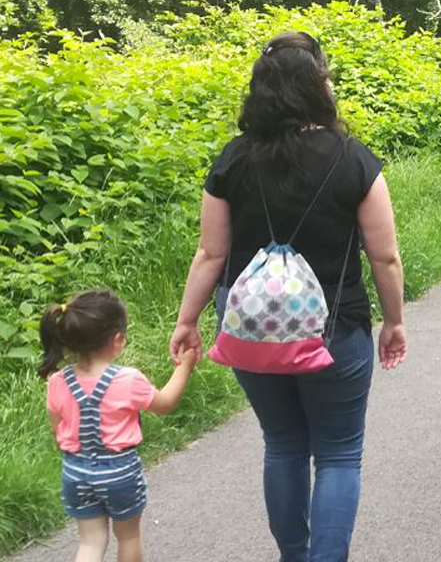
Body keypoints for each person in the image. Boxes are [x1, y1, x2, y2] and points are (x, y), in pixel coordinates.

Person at [169, 31, 407, 561]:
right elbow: (384, 257)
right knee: (340, 455)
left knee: (283, 446)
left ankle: (294, 556)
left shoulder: (232, 160)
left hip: (250, 331)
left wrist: (187, 320)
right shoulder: (353, 160)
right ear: (321, 84)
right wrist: (393, 322)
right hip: (335, 330)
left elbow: (210, 254)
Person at [40, 289, 199, 562]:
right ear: (117, 339)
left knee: (90, 542)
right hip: (119, 471)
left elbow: (58, 430)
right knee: (128, 537)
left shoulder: (57, 381)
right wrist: (183, 367)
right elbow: (165, 403)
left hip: (75, 471)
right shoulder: (128, 379)